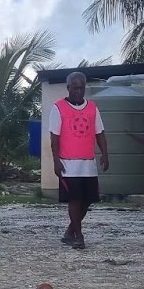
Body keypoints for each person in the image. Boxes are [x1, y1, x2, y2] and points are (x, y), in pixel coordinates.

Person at [46, 71, 109, 249]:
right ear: (68, 88)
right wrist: (56, 162)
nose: (78, 91)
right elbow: (54, 139)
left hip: (88, 163)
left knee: (87, 200)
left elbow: (100, 134)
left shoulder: (92, 108)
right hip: (68, 164)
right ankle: (79, 236)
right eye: (75, 88)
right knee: (74, 200)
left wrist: (105, 154)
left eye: (82, 88)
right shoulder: (58, 108)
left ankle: (69, 231)